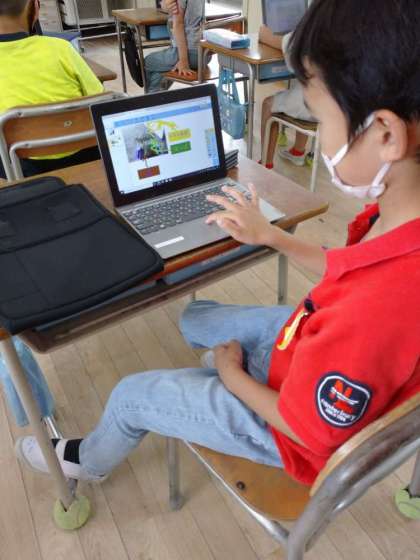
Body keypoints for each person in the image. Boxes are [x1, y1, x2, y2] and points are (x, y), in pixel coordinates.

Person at [16, 0, 420, 488]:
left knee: (130, 395)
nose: (322, 135)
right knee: (196, 316)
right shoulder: (395, 220)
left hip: (286, 432)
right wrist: (271, 235)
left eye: (319, 113)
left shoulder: (376, 312)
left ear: (385, 134)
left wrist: (234, 378)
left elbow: (308, 430)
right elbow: (347, 269)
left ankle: (87, 463)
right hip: (307, 348)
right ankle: (217, 379)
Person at [0, 0, 104, 179]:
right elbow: (100, 97)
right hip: (85, 154)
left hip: (21, 167)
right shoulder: (61, 48)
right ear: (36, 8)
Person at [259, 21, 315, 169]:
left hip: (319, 103)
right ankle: (297, 151)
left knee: (268, 104)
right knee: (302, 83)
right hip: (343, 104)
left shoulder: (316, 29)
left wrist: (265, 29)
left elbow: (265, 36)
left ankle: (265, 163)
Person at [144, 0, 206, 93]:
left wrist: (184, 61)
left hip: (190, 53)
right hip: (204, 54)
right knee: (159, 71)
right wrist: (164, 5)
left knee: (148, 61)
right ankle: (155, 94)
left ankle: (152, 98)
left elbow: (178, 24)